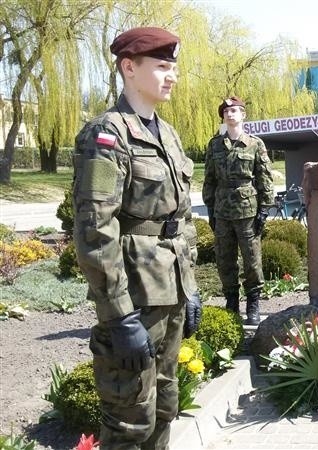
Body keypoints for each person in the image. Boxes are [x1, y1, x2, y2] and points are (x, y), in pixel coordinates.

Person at [72, 27, 202, 448]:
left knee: (165, 408)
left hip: (171, 292)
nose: (172, 76)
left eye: (174, 68)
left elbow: (181, 218)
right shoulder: (108, 135)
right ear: (129, 68)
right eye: (162, 67)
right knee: (130, 422)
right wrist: (118, 316)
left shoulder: (168, 134)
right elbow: (95, 229)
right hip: (134, 300)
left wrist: (192, 288)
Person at [203, 96, 274, 325]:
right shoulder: (215, 145)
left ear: (243, 114)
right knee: (225, 259)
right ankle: (231, 302)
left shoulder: (254, 144)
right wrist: (210, 208)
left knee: (252, 260)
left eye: (234, 110)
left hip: (247, 211)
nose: (230, 114)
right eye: (226, 111)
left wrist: (264, 209)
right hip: (222, 211)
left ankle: (253, 303)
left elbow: (264, 178)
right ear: (223, 116)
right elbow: (209, 179)